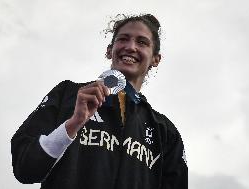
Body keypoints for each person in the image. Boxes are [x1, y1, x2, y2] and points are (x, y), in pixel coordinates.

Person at [11, 14, 188, 189]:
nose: (130, 47)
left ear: (156, 59)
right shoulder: (68, 94)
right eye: (123, 39)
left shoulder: (165, 131)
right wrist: (72, 125)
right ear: (109, 50)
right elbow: (25, 168)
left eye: (142, 42)